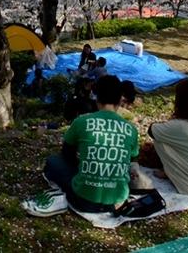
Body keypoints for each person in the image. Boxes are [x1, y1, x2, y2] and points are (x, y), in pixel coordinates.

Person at [22, 75, 139, 217]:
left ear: (97, 97)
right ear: (120, 100)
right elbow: (132, 160)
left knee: (53, 162)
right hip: (118, 200)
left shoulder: (82, 121)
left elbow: (67, 153)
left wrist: (83, 162)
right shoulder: (130, 129)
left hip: (83, 200)